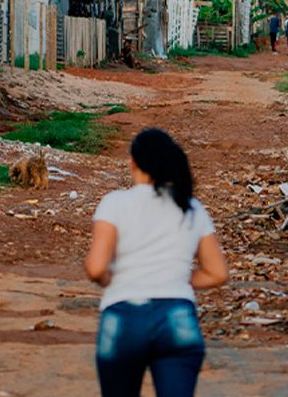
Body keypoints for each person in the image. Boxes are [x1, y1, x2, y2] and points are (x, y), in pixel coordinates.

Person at [85, 128, 229, 397]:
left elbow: (96, 268)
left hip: (124, 316)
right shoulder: (191, 207)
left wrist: (108, 278)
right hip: (177, 315)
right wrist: (174, 278)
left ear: (132, 162)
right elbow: (217, 273)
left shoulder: (115, 203)